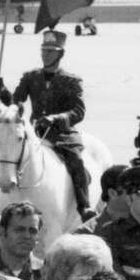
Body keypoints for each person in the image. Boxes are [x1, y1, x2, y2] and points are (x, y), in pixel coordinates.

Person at [9, 28, 96, 221]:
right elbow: (17, 102)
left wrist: (57, 118)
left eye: (50, 51)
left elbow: (78, 112)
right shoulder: (30, 77)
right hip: (35, 131)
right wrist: (2, 92)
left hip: (62, 134)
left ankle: (84, 206)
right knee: (9, 155)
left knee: (76, 161)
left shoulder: (71, 81)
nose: (45, 55)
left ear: (60, 54)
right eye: (43, 50)